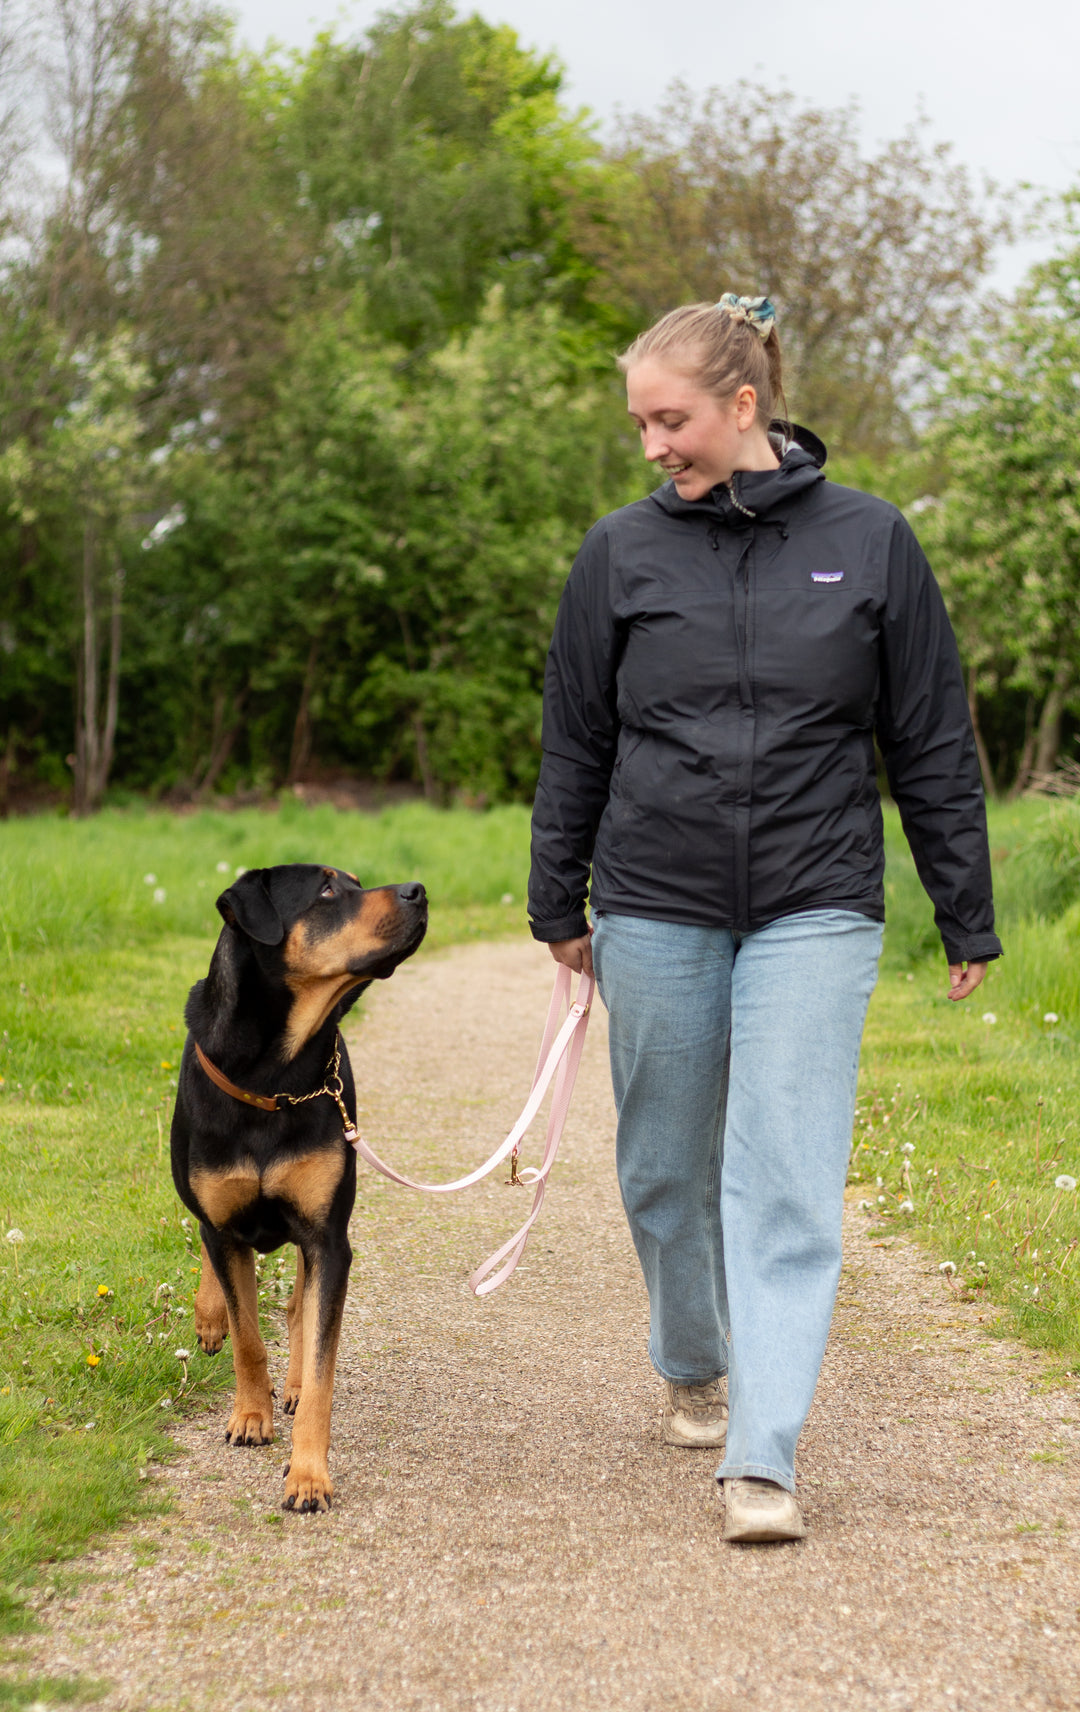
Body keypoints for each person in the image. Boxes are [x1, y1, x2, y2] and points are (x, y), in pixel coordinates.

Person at [527, 293, 1001, 1544]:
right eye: (638, 422)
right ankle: (693, 1354)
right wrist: (555, 899)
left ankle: (764, 1454)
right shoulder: (618, 553)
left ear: (745, 406)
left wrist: (966, 909)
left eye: (669, 419)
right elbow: (577, 733)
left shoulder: (874, 540)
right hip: (656, 896)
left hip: (816, 900)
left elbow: (931, 738)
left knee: (788, 1173)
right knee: (667, 1166)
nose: (651, 446)